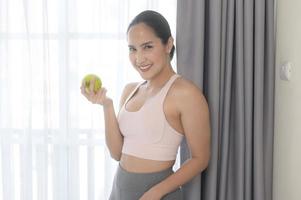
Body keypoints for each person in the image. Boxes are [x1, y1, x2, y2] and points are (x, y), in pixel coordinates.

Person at [81, 10, 211, 200]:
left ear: (168, 44)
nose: (139, 59)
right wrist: (106, 105)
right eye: (132, 49)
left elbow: (201, 159)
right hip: (118, 192)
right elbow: (117, 153)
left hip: (158, 196)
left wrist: (156, 192)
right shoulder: (130, 90)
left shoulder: (186, 93)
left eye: (147, 47)